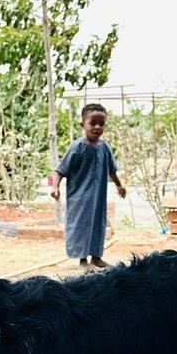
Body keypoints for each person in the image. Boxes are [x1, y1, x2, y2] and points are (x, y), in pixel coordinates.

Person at [51, 103, 127, 269]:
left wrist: (120, 185)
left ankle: (96, 257)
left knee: (98, 225)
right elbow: (60, 170)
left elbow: (112, 169)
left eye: (101, 123)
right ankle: (83, 261)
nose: (97, 127)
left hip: (98, 197)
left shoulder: (105, 147)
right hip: (80, 198)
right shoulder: (77, 147)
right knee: (81, 226)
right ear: (83, 124)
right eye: (93, 123)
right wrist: (55, 187)